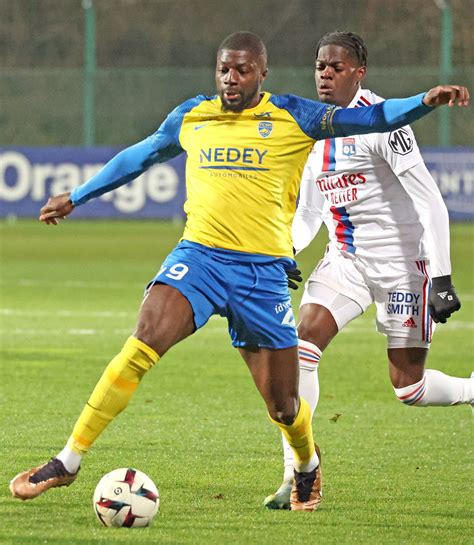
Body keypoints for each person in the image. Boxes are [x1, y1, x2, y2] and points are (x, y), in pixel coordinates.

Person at [9, 31, 469, 513]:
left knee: (284, 408)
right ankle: (68, 459)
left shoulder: (295, 116)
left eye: (242, 70)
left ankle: (306, 463)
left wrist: (424, 101)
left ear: (262, 74)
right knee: (143, 339)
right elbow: (138, 156)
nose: (231, 78)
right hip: (200, 259)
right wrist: (76, 196)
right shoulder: (193, 115)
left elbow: (373, 117)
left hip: (261, 276)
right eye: (224, 68)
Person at [263, 30, 474, 510]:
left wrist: (440, 278)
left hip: (404, 267)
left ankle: (470, 390)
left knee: (410, 388)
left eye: (336, 66)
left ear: (359, 73)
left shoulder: (386, 124)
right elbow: (310, 213)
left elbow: (430, 200)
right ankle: (299, 472)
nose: (325, 73)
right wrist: (285, 251)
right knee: (301, 347)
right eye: (320, 65)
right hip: (346, 260)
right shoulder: (311, 129)